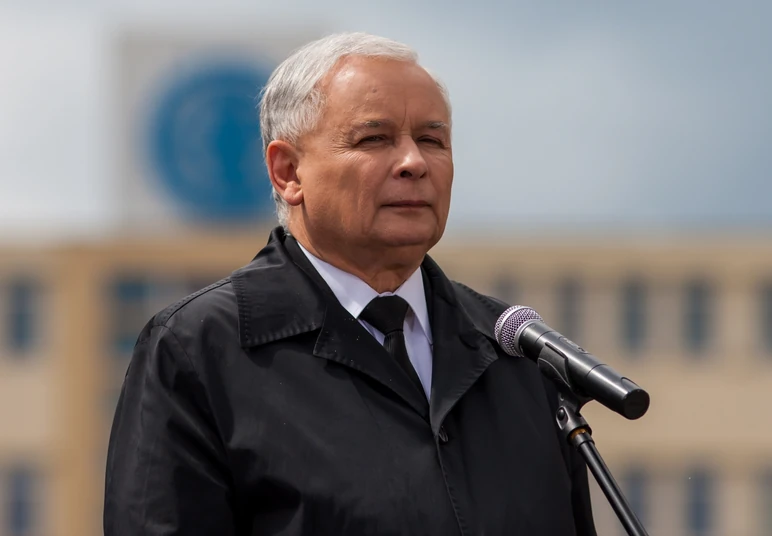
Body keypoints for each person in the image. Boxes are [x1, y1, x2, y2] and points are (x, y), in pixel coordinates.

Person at [103, 32, 597, 535]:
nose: (414, 163)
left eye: (432, 140)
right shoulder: (197, 349)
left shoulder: (518, 355)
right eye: (374, 139)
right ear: (288, 172)